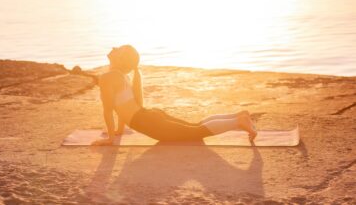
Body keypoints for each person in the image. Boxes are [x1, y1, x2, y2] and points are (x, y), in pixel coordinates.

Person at [91, 45, 257, 145]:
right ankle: (239, 116)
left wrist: (110, 139)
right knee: (195, 126)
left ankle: (238, 121)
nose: (114, 48)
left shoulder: (108, 77)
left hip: (147, 122)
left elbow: (109, 109)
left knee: (196, 132)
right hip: (149, 116)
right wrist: (119, 130)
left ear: (120, 59)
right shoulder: (122, 76)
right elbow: (123, 106)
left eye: (119, 48)